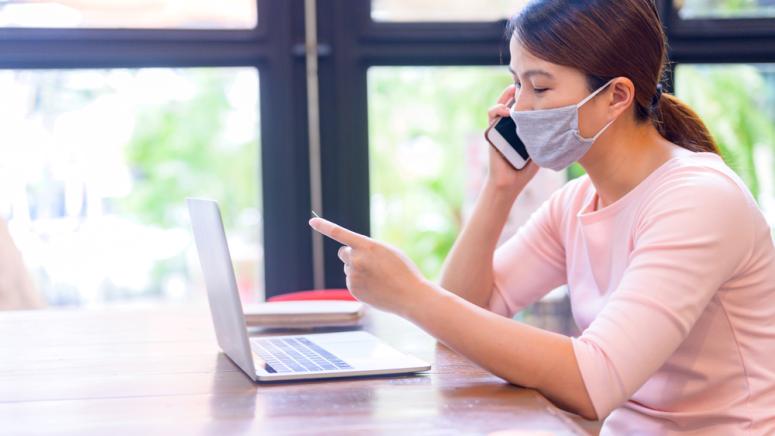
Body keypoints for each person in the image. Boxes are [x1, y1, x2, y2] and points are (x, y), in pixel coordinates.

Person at [309, 0, 775, 433]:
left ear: (616, 96)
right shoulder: (575, 202)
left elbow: (594, 382)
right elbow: (461, 324)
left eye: (540, 86)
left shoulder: (698, 200)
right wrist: (500, 190)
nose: (519, 107)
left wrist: (411, 295)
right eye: (516, 84)